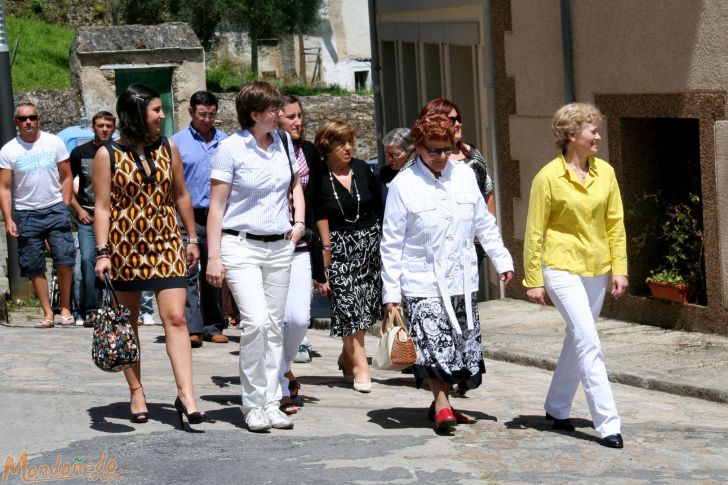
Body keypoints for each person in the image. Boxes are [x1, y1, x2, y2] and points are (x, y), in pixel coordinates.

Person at [380, 112, 514, 432]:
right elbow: (391, 243)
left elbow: (483, 223)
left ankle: (442, 403)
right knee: (434, 344)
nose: (440, 157)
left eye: (445, 150)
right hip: (421, 281)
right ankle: (442, 406)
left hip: (461, 278)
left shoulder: (465, 176)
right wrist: (391, 294)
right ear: (418, 148)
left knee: (458, 347)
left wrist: (502, 259)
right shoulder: (404, 185)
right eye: (432, 151)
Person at [93, 83, 204, 428]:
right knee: (129, 322)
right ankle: (136, 390)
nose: (162, 116)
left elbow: (181, 194)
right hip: (125, 245)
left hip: (166, 242)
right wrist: (102, 252)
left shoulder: (168, 147)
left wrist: (192, 237)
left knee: (175, 317)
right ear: (137, 113)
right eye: (155, 110)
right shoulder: (107, 154)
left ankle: (186, 394)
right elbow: (101, 207)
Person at [523, 102, 628, 449]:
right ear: (572, 135)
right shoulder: (547, 178)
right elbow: (535, 232)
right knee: (588, 339)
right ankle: (608, 423)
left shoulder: (607, 173)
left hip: (597, 268)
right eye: (592, 130)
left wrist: (620, 269)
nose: (598, 136)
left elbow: (615, 224)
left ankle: (556, 407)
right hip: (560, 266)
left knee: (578, 337)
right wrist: (533, 278)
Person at [206, 81, 305, 432]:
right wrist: (213, 257)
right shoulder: (230, 149)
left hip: (279, 246)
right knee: (257, 323)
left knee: (274, 327)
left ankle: (271, 401)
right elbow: (216, 207)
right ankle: (252, 404)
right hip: (240, 244)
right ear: (254, 114)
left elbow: (294, 186)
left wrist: (298, 223)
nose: (281, 114)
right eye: (274, 109)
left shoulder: (283, 143)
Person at [314, 120, 383, 393]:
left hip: (368, 246)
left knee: (365, 310)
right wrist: (322, 258)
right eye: (341, 143)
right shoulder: (319, 176)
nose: (348, 148)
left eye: (350, 142)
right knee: (347, 307)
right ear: (327, 146)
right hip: (337, 247)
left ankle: (347, 356)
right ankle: (360, 366)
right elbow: (316, 216)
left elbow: (378, 206)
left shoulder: (362, 169)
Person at [0, 100, 76, 328]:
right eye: (23, 119)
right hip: (26, 212)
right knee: (33, 264)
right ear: (16, 122)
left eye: (32, 117)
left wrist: (65, 204)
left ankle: (65, 308)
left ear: (38, 119)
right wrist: (8, 218)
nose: (28, 122)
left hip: (54, 207)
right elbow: (4, 187)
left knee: (64, 258)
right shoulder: (9, 150)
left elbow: (67, 175)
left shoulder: (54, 142)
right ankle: (47, 313)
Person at [276, 94, 325, 414]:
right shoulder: (266, 150)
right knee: (272, 319)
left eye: (300, 116)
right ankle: (279, 380)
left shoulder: (309, 152)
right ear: (275, 118)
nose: (298, 122)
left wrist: (324, 253)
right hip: (268, 243)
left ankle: (283, 366)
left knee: (298, 318)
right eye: (291, 117)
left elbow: (318, 202)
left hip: (302, 244)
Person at [171, 91, 229, 347]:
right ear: (191, 112)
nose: (207, 119)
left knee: (215, 271)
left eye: (212, 114)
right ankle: (192, 327)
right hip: (188, 216)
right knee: (189, 270)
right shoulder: (177, 143)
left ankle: (213, 324)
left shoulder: (226, 142)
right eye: (202, 114)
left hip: (218, 215)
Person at [69, 111, 116, 326]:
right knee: (88, 259)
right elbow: (67, 184)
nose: (104, 129)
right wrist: (79, 210)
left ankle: (117, 307)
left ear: (114, 128)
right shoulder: (80, 152)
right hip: (88, 216)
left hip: (115, 217)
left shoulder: (120, 151)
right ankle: (91, 309)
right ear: (93, 128)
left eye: (108, 125)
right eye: (100, 125)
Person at [379, 127, 415, 204]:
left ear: (411, 150)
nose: (390, 159)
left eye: (395, 154)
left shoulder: (420, 173)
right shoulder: (382, 174)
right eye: (387, 154)